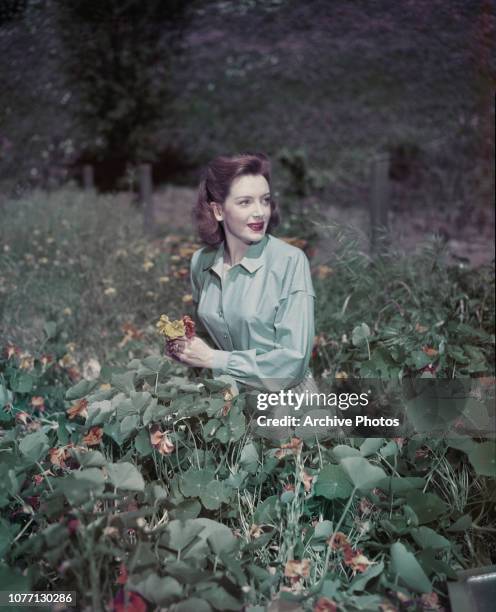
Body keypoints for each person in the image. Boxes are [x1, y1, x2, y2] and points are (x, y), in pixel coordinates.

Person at [166, 152, 328, 438]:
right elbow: (206, 337)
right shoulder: (200, 263)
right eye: (245, 202)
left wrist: (216, 360)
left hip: (287, 413)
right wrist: (186, 346)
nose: (260, 212)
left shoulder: (290, 262)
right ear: (217, 211)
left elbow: (293, 362)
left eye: (265, 200)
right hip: (229, 410)